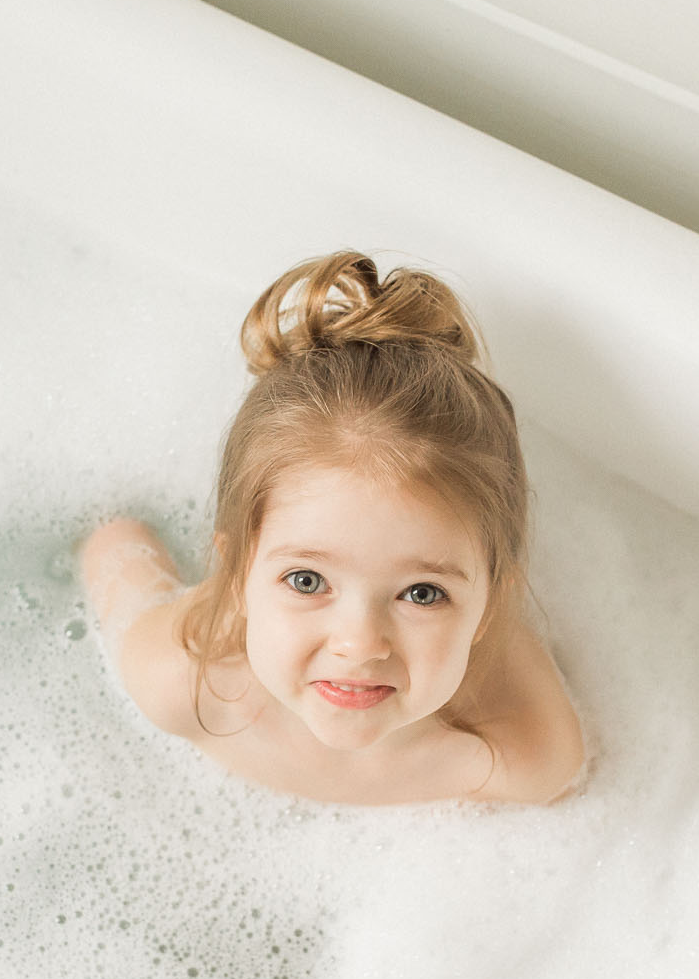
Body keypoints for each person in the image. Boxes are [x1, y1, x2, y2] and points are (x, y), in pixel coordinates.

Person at [80, 251, 584, 805]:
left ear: (490, 608)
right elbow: (112, 544)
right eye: (306, 581)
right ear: (238, 569)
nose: (359, 644)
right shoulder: (179, 682)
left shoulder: (518, 757)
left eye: (422, 593)